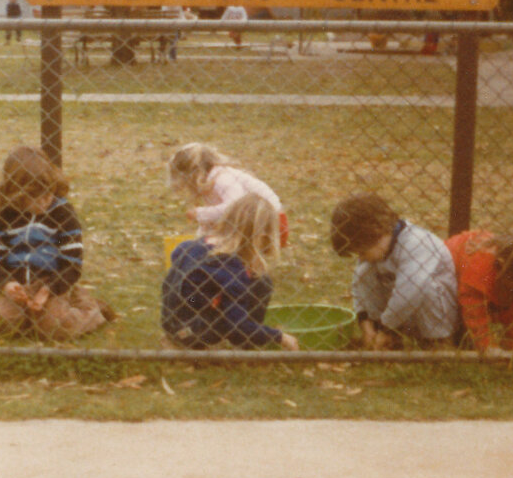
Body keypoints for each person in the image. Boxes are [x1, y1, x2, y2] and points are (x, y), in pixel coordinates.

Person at [0, 146, 110, 341]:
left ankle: (89, 308)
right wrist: (6, 284)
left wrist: (48, 289)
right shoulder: (5, 216)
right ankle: (28, 317)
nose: (44, 201)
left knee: (54, 329)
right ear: (16, 194)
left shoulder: (62, 214)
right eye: (35, 197)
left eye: (48, 194)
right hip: (15, 283)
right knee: (3, 324)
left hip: (50, 281)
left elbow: (72, 262)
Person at [161, 193, 299, 351]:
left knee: (197, 298)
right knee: (260, 286)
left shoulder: (192, 246)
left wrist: (201, 299)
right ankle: (245, 345)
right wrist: (279, 336)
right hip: (193, 330)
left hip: (173, 320)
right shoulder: (232, 270)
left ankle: (186, 331)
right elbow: (237, 325)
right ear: (260, 238)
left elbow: (177, 260)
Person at [330, 193, 459, 349]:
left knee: (425, 289)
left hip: (439, 315)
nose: (361, 258)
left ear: (376, 234)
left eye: (362, 252)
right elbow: (360, 285)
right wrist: (367, 325)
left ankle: (437, 343)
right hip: (400, 318)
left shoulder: (417, 243)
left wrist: (386, 329)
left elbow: (409, 292)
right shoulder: (377, 250)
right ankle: (386, 338)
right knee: (364, 273)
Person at [168, 142, 288, 246]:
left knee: (223, 240)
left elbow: (234, 209)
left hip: (271, 225)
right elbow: (214, 220)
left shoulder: (223, 179)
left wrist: (200, 213)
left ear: (194, 173)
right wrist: (198, 241)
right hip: (256, 224)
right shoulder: (211, 181)